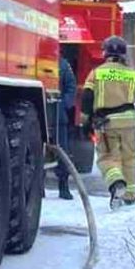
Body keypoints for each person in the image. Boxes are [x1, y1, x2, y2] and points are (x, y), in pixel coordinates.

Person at [81, 36, 135, 208]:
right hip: (130, 121)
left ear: (105, 53)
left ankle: (116, 183)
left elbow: (87, 98)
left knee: (107, 158)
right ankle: (130, 195)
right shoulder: (134, 74)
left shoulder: (97, 73)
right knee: (129, 158)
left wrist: (85, 122)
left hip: (106, 123)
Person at [54, 55, 78, 199]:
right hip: (37, 115)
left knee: (62, 152)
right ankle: (38, 188)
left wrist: (63, 105)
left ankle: (63, 186)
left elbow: (71, 87)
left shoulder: (63, 64)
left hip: (57, 116)